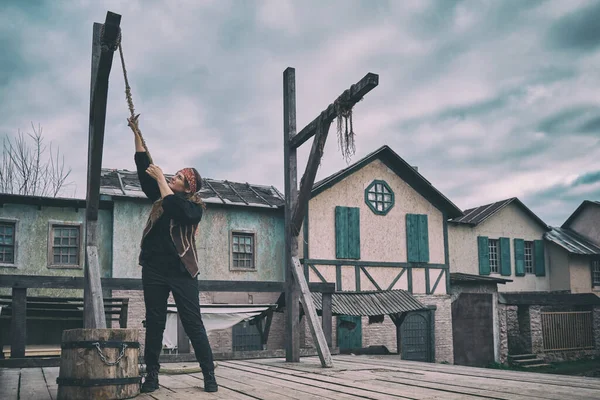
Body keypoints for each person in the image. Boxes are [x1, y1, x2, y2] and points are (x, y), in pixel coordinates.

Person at [127, 116, 218, 393]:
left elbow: (175, 207)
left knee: (192, 323)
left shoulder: (195, 209)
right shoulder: (161, 195)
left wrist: (162, 181)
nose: (172, 177)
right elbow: (145, 168)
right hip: (153, 268)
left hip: (182, 271)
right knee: (154, 321)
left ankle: (209, 376)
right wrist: (137, 133)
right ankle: (152, 376)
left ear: (188, 188)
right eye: (173, 174)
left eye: (178, 177)